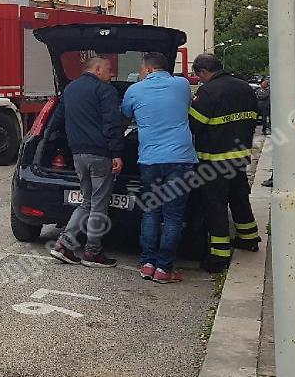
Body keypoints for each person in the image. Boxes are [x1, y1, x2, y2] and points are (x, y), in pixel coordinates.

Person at [122, 52, 198, 284]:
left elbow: (125, 115)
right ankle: (164, 269)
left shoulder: (135, 90)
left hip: (150, 160)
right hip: (180, 159)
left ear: (147, 69)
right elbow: (186, 106)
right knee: (173, 216)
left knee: (151, 210)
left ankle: (147, 264)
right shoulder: (182, 85)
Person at [47, 56, 123, 268]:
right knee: (99, 205)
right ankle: (92, 252)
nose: (112, 74)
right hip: (100, 155)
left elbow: (58, 120)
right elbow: (112, 123)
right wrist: (117, 153)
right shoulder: (105, 90)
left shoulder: (70, 89)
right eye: (109, 69)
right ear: (97, 69)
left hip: (77, 154)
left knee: (86, 202)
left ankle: (63, 245)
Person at [189, 54, 261, 273]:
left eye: (198, 76)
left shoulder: (208, 91)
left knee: (215, 205)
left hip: (214, 160)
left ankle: (219, 255)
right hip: (239, 156)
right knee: (239, 198)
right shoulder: (245, 88)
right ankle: (249, 238)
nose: (199, 80)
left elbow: (195, 124)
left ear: (203, 72)